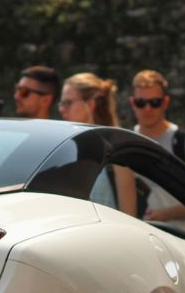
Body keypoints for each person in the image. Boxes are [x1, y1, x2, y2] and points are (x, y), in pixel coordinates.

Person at [128, 70, 185, 235]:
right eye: (141, 102)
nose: (148, 108)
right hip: (139, 238)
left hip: (184, 239)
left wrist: (165, 214)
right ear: (132, 103)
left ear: (166, 102)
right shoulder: (124, 142)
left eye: (155, 102)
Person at [58, 72, 137, 216]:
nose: (61, 109)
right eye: (61, 103)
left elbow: (129, 215)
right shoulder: (62, 149)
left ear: (90, 104)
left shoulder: (117, 153)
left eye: (68, 103)